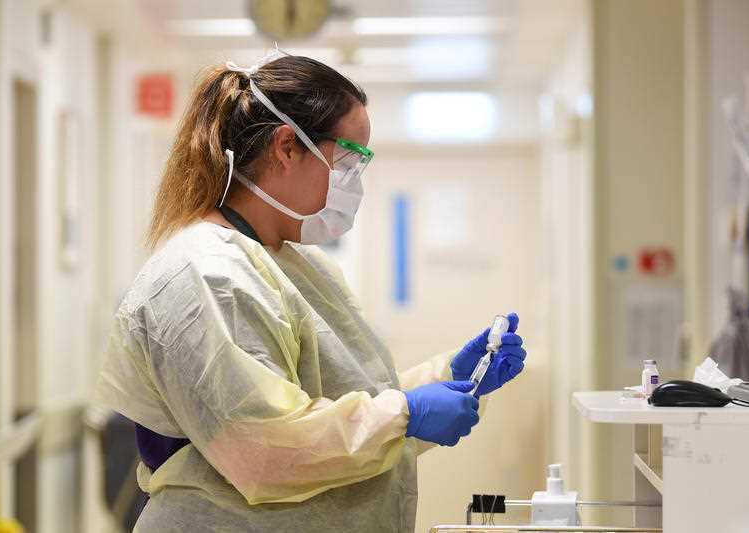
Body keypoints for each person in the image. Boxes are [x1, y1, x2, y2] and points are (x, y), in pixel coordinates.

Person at [94, 48, 527, 533]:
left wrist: (448, 378)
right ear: (286, 146)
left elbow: (339, 406)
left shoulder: (289, 263)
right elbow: (265, 448)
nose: (354, 182)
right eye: (349, 160)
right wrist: (407, 413)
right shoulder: (209, 275)